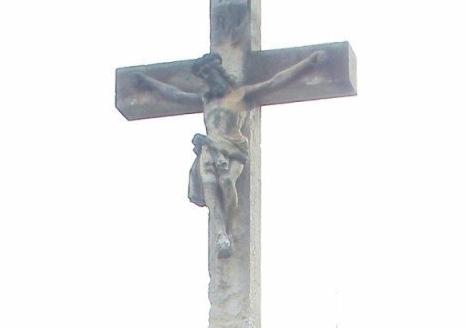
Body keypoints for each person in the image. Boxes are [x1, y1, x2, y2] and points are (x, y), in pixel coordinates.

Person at [134, 49, 325, 256]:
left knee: (226, 182)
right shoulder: (206, 100)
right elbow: (174, 93)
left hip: (234, 147)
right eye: (203, 76)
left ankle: (229, 229)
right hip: (210, 145)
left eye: (208, 73)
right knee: (211, 188)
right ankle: (221, 234)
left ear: (218, 72)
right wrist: (148, 82)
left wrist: (308, 63)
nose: (206, 79)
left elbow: (274, 82)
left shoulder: (240, 96)